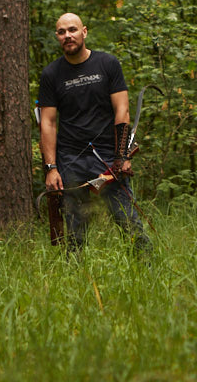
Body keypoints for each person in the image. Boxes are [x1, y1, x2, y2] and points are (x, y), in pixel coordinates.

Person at [38, 13, 150, 253]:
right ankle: (75, 281)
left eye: (72, 30)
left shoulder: (108, 64)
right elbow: (47, 123)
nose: (67, 35)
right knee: (75, 232)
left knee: (128, 222)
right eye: (61, 32)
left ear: (84, 32)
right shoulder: (51, 74)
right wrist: (51, 168)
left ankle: (148, 270)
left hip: (109, 157)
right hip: (71, 159)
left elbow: (122, 110)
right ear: (57, 37)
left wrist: (122, 157)